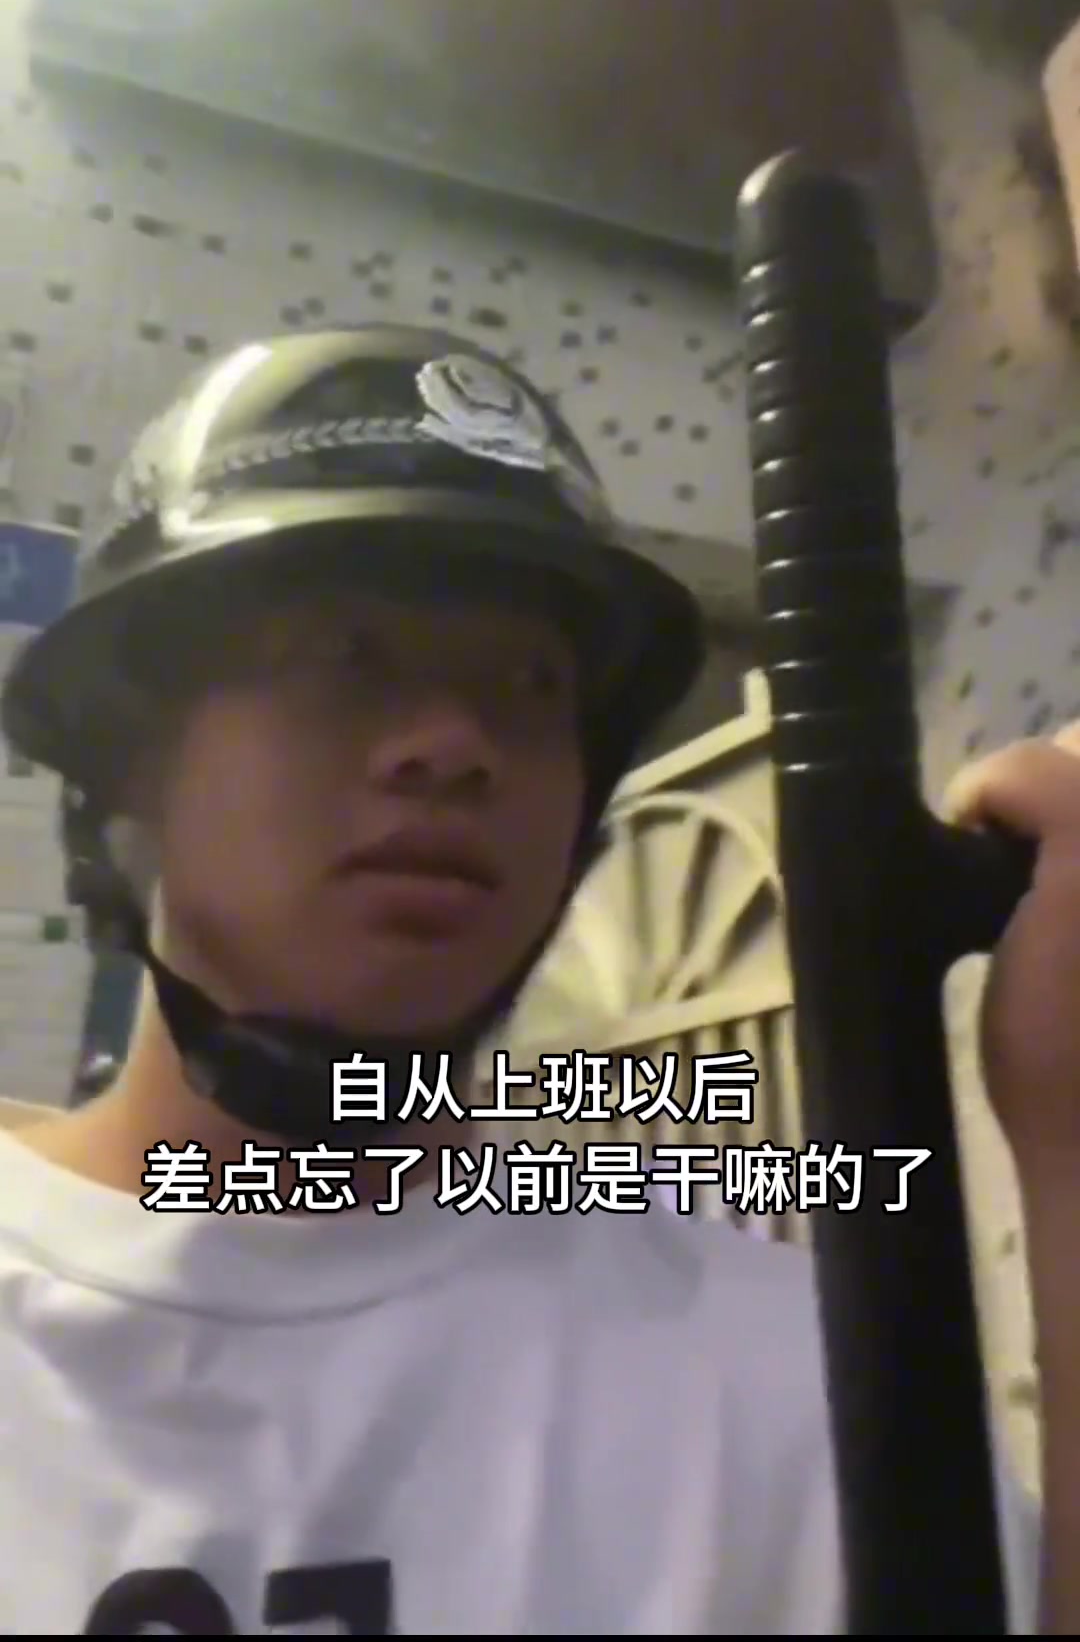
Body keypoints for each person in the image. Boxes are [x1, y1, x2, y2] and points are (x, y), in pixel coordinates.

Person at [0, 321, 1069, 1634]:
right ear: (125, 769)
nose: (458, 743)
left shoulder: (783, 1388)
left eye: (530, 682)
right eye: (345, 656)